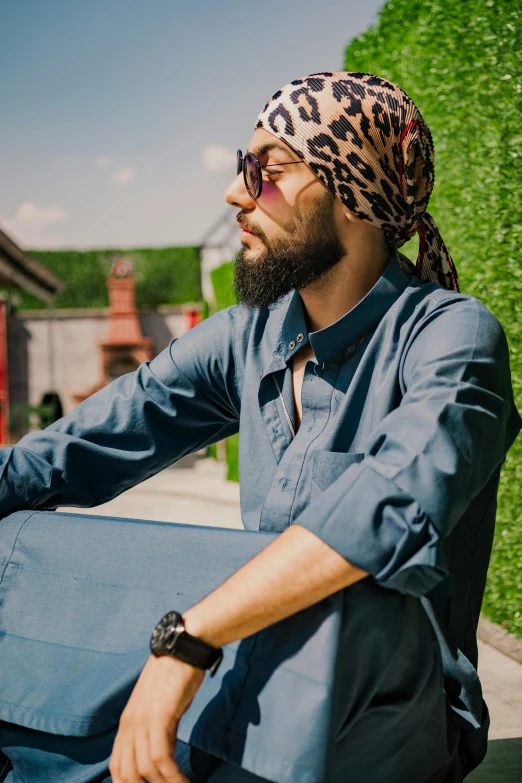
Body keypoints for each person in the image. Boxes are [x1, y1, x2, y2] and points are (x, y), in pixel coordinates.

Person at [0, 71, 520, 783]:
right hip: (248, 663)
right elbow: (71, 451)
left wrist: (189, 639)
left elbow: (388, 512)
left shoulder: (453, 337)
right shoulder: (251, 336)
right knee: (17, 539)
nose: (236, 193)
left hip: (388, 701)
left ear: (353, 190)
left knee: (353, 592)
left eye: (265, 170)